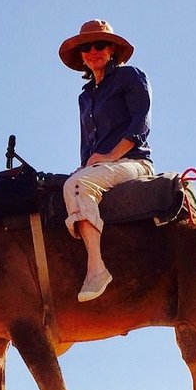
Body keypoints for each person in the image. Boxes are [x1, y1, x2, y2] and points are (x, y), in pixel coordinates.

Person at [58, 19, 154, 302]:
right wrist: (86, 164)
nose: (93, 51)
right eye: (86, 47)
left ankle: (97, 269)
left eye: (100, 45)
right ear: (81, 56)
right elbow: (87, 144)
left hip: (133, 162)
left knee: (77, 187)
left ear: (112, 50)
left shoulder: (130, 77)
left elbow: (141, 124)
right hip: (100, 167)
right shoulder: (85, 97)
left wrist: (110, 157)